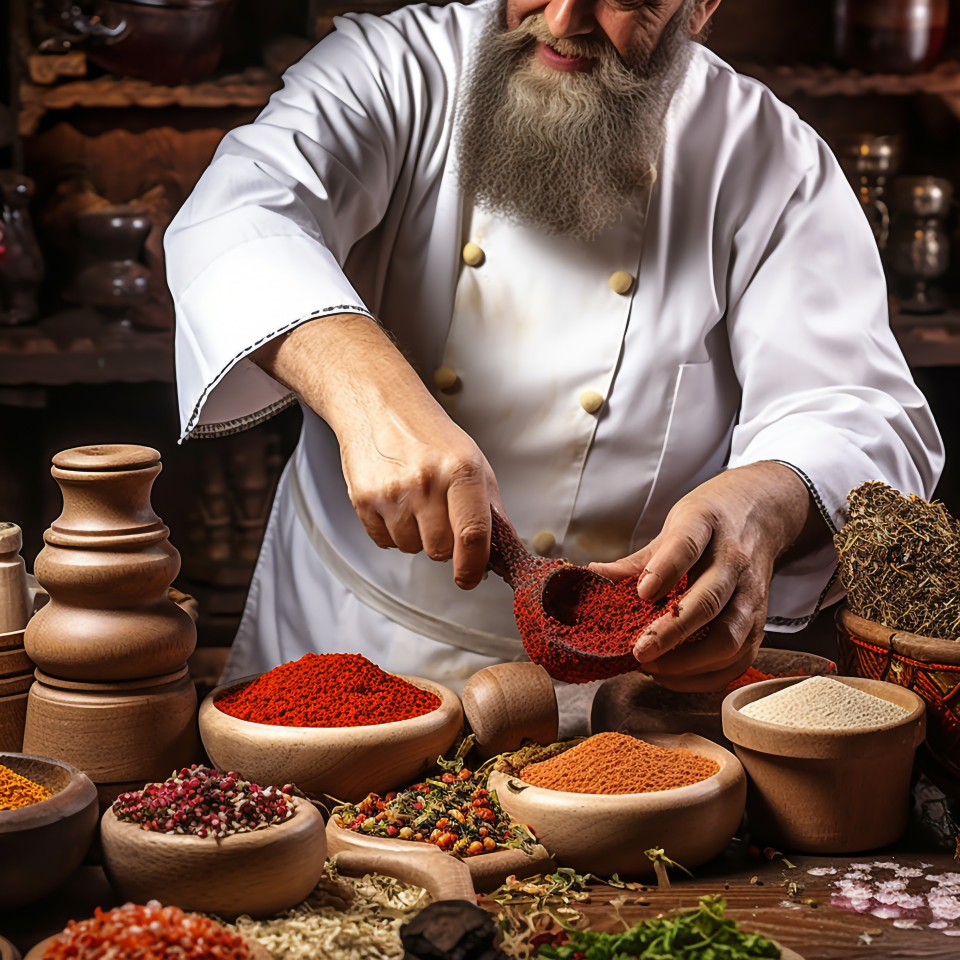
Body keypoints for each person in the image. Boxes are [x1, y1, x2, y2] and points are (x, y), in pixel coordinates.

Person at [165, 0, 942, 731]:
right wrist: (370, 395)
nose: (565, 19)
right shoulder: (394, 68)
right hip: (356, 650)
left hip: (630, 696)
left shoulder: (769, 159)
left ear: (701, 7)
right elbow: (236, 217)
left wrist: (759, 508)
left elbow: (858, 404)